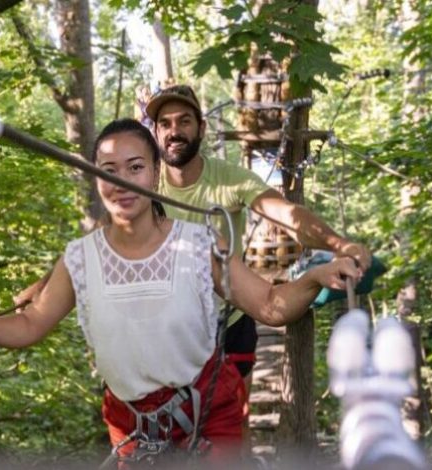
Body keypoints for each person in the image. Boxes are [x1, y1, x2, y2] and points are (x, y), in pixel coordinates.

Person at [0, 119, 361, 466]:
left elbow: (268, 305)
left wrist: (314, 277)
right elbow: (30, 324)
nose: (121, 182)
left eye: (135, 167)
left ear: (156, 174)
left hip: (209, 414)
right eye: (108, 170)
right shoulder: (79, 258)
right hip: (133, 426)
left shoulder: (197, 245)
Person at [144, 84, 372, 382]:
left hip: (230, 322)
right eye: (165, 123)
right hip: (169, 329)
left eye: (184, 121)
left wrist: (340, 244)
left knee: (234, 423)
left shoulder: (227, 179)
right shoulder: (144, 187)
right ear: (156, 132)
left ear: (201, 127)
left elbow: (286, 215)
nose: (174, 131)